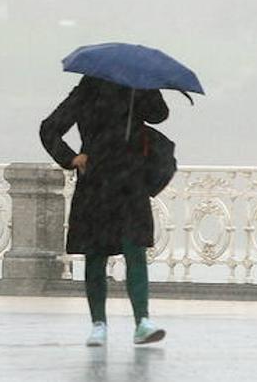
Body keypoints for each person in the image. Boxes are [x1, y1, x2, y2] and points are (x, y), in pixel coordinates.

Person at [40, 76, 169, 346]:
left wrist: (146, 87)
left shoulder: (138, 87)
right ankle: (98, 323)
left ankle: (142, 322)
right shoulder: (87, 90)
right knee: (95, 254)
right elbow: (49, 128)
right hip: (96, 183)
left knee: (135, 249)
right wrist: (71, 158)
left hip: (131, 182)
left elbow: (159, 114)